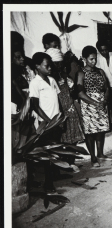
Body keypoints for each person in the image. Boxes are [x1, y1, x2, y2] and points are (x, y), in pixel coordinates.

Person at [46, 48, 85, 173]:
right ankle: (59, 168)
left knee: (73, 140)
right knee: (58, 142)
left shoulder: (64, 76)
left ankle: (70, 164)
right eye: (56, 63)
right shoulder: (49, 79)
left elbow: (72, 91)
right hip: (58, 113)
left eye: (60, 63)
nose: (58, 66)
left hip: (70, 111)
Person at [29, 52, 62, 192]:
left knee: (56, 151)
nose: (50, 68)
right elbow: (34, 106)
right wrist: (49, 121)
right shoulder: (35, 83)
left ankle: (54, 177)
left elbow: (58, 100)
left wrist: (61, 117)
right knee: (47, 155)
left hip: (56, 122)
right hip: (46, 124)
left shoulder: (52, 80)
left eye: (50, 66)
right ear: (37, 66)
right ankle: (48, 184)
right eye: (46, 66)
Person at [76, 45, 112, 167]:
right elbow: (80, 93)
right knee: (90, 132)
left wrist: (104, 100)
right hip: (88, 105)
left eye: (95, 58)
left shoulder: (100, 71)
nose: (94, 61)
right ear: (84, 59)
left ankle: (100, 154)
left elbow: (107, 88)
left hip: (101, 104)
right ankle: (93, 157)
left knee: (100, 130)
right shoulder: (81, 73)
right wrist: (95, 103)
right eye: (91, 59)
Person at [11, 45, 36, 113]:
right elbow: (22, 97)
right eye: (18, 57)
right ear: (11, 59)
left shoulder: (27, 69)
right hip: (21, 105)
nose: (22, 59)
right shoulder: (11, 74)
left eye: (22, 56)